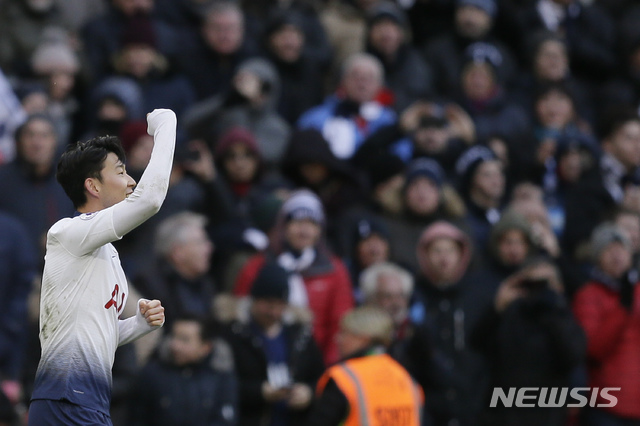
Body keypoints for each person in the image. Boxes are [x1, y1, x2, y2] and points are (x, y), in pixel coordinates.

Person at [27, 108, 176, 425]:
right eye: (121, 172)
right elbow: (150, 200)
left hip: (84, 401)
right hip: (67, 399)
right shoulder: (67, 233)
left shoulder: (107, 254)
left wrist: (138, 325)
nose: (131, 180)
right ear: (93, 186)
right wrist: (166, 124)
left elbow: (94, 332)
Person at [223, 261, 325, 426]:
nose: (273, 312)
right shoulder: (234, 333)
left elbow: (321, 377)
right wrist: (259, 392)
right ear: (254, 300)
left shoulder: (301, 335)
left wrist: (309, 393)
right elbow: (222, 384)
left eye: (280, 305)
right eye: (268, 304)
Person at [307, 306, 424, 426]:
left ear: (363, 338)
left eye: (344, 332)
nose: (337, 339)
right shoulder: (406, 378)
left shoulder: (344, 378)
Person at [573, 223, 640, 425]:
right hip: (606, 405)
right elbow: (593, 349)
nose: (617, 255)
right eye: (609, 249)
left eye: (622, 249)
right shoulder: (588, 295)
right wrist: (622, 309)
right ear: (597, 256)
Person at [128, 314, 238, 426]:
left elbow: (225, 419)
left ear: (205, 347)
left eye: (185, 340)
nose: (175, 345)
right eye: (174, 336)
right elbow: (137, 418)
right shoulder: (152, 374)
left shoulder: (220, 376)